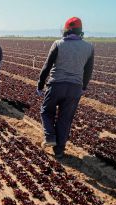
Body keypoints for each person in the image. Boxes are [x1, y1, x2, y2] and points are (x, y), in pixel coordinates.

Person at [37, 17, 94, 158]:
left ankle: (50, 137)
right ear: (80, 31)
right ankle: (59, 150)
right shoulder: (89, 47)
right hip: (75, 88)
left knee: (46, 111)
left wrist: (40, 85)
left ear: (66, 30)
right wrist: (83, 87)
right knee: (65, 119)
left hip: (56, 85)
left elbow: (47, 66)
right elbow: (88, 71)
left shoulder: (58, 44)